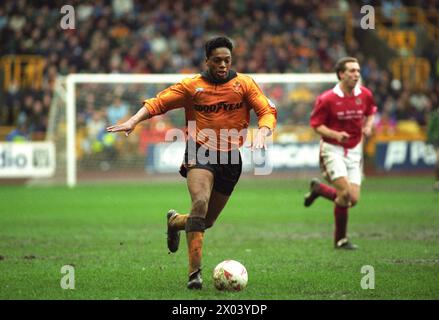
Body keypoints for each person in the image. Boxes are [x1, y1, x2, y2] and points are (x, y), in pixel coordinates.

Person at [106, 37, 277, 289]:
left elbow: (266, 110)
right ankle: (194, 274)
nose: (222, 65)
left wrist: (263, 131)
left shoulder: (244, 84)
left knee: (206, 221)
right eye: (217, 60)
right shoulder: (191, 86)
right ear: (206, 60)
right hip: (200, 150)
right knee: (199, 203)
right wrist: (133, 120)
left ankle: (175, 222)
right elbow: (158, 103)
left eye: (226, 60)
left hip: (231, 156)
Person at [304, 57, 376, 250]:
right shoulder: (327, 99)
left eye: (358, 71)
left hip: (354, 150)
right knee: (344, 193)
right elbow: (316, 125)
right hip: (332, 149)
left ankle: (319, 190)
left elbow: (370, 112)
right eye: (352, 71)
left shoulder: (365, 94)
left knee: (353, 200)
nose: (356, 74)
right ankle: (340, 240)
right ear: (341, 74)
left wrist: (368, 126)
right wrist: (336, 134)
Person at [426, 104, 439, 191]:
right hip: (437, 140)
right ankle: (437, 182)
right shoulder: (435, 115)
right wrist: (429, 140)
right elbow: (430, 129)